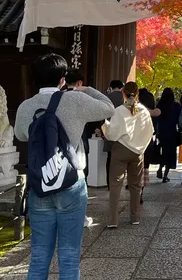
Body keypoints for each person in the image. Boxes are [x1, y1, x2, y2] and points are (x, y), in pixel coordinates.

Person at [14, 53, 114, 280]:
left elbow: (20, 134)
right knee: (69, 260)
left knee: (38, 260)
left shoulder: (26, 106)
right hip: (71, 185)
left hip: (40, 189)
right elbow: (109, 107)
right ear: (63, 79)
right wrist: (83, 89)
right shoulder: (75, 100)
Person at [104, 81, 155, 228]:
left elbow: (112, 134)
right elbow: (150, 132)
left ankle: (113, 220)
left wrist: (105, 127)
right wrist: (141, 148)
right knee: (136, 186)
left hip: (121, 149)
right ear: (137, 93)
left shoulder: (119, 110)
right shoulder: (144, 111)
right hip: (138, 152)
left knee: (115, 185)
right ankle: (135, 217)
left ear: (123, 93)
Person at [64, 69, 102, 228]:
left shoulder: (58, 97)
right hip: (79, 144)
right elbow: (105, 107)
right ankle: (80, 215)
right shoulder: (83, 98)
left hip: (60, 144)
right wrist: (88, 90)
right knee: (80, 179)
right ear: (80, 82)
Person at [155, 87, 182, 182]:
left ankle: (160, 168)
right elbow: (179, 120)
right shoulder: (176, 106)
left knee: (163, 152)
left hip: (162, 132)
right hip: (172, 132)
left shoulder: (159, 105)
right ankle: (165, 175)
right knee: (170, 154)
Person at [104, 80, 125, 189]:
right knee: (121, 159)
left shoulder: (106, 98)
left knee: (110, 158)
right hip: (122, 132)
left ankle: (109, 183)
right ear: (121, 87)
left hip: (110, 130)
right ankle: (119, 183)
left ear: (111, 87)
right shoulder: (125, 98)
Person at [138, 88, 161, 181]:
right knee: (146, 161)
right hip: (148, 138)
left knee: (136, 161)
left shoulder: (136, 111)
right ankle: (142, 182)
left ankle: (135, 181)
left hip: (136, 139)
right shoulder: (155, 112)